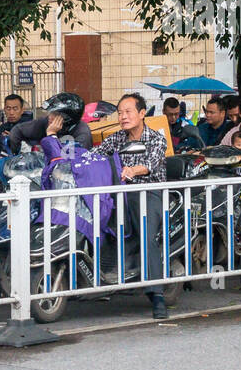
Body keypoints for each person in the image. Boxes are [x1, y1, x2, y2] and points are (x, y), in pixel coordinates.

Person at [94, 93, 170, 320]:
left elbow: (150, 164)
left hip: (147, 192)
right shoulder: (116, 139)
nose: (123, 116)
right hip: (119, 194)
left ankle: (157, 295)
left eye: (128, 111)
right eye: (119, 112)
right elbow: (94, 156)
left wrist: (133, 170)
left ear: (142, 113)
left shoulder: (156, 139)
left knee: (146, 235)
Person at [9, 92, 92, 153]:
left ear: (67, 118)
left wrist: (51, 134)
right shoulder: (46, 122)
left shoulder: (82, 134)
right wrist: (16, 154)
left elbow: (65, 163)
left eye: (55, 114)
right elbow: (17, 131)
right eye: (50, 113)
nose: (50, 117)